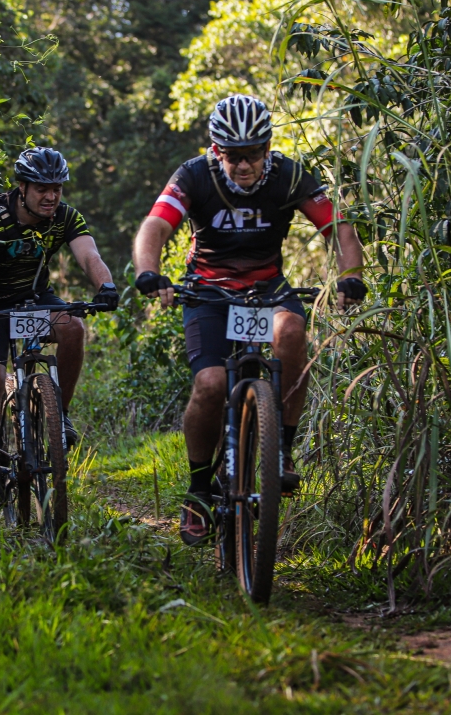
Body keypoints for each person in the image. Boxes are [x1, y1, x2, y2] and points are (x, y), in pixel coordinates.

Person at [131, 94, 367, 545]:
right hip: (209, 291)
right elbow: (155, 227)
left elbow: (338, 228)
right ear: (216, 150)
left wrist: (350, 277)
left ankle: (282, 451)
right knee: (211, 384)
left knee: (292, 330)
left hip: (267, 288)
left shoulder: (289, 175)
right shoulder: (193, 174)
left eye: (253, 154)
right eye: (232, 155)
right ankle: (199, 490)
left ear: (267, 148)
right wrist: (148, 271)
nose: (243, 165)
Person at [0, 146, 118, 510]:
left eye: (57, 188)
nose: (51, 196)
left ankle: (58, 416)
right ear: (22, 187)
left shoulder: (65, 216)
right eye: (42, 189)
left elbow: (89, 255)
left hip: (33, 299)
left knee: (73, 328)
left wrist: (106, 286)